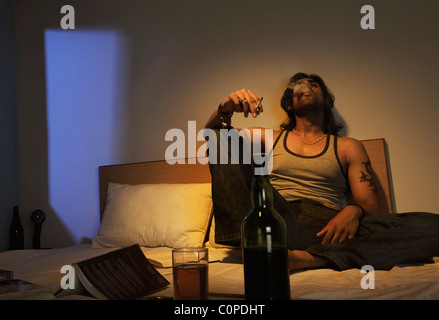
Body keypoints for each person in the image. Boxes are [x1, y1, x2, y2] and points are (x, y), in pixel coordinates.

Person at [204, 72, 439, 271]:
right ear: (289, 103)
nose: (306, 86)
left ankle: (309, 258)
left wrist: (353, 210)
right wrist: (224, 109)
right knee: (220, 138)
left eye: (313, 84)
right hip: (277, 218)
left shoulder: (348, 146)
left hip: (328, 227)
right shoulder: (267, 138)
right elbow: (212, 137)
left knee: (432, 227)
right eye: (299, 85)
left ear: (326, 101)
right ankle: (252, 245)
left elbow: (373, 207)